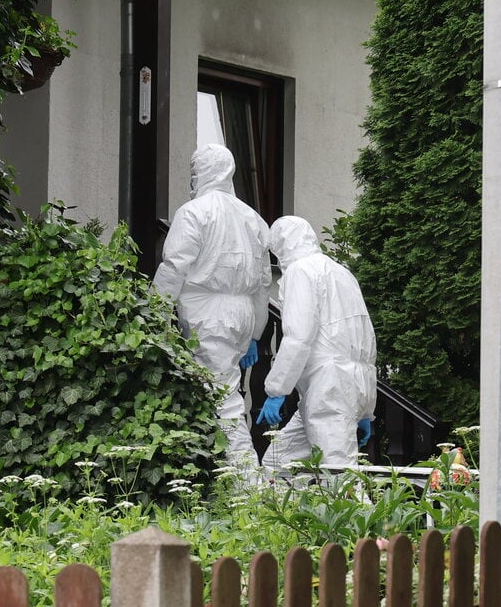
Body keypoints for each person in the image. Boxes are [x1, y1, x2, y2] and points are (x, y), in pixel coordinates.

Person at [153, 143, 271, 470]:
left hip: (209, 316)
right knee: (221, 393)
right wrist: (255, 335)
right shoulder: (253, 218)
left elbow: (174, 266)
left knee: (224, 402)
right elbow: (263, 284)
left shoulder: (194, 212)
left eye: (194, 171)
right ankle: (216, 477)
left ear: (202, 172)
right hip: (243, 315)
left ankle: (247, 487)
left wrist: (153, 313)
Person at [257, 215, 376, 473]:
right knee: (278, 464)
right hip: (344, 386)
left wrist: (276, 391)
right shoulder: (342, 273)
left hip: (328, 389)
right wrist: (366, 410)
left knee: (339, 476)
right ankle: (292, 513)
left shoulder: (301, 271)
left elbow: (298, 338)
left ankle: (357, 514)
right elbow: (365, 339)